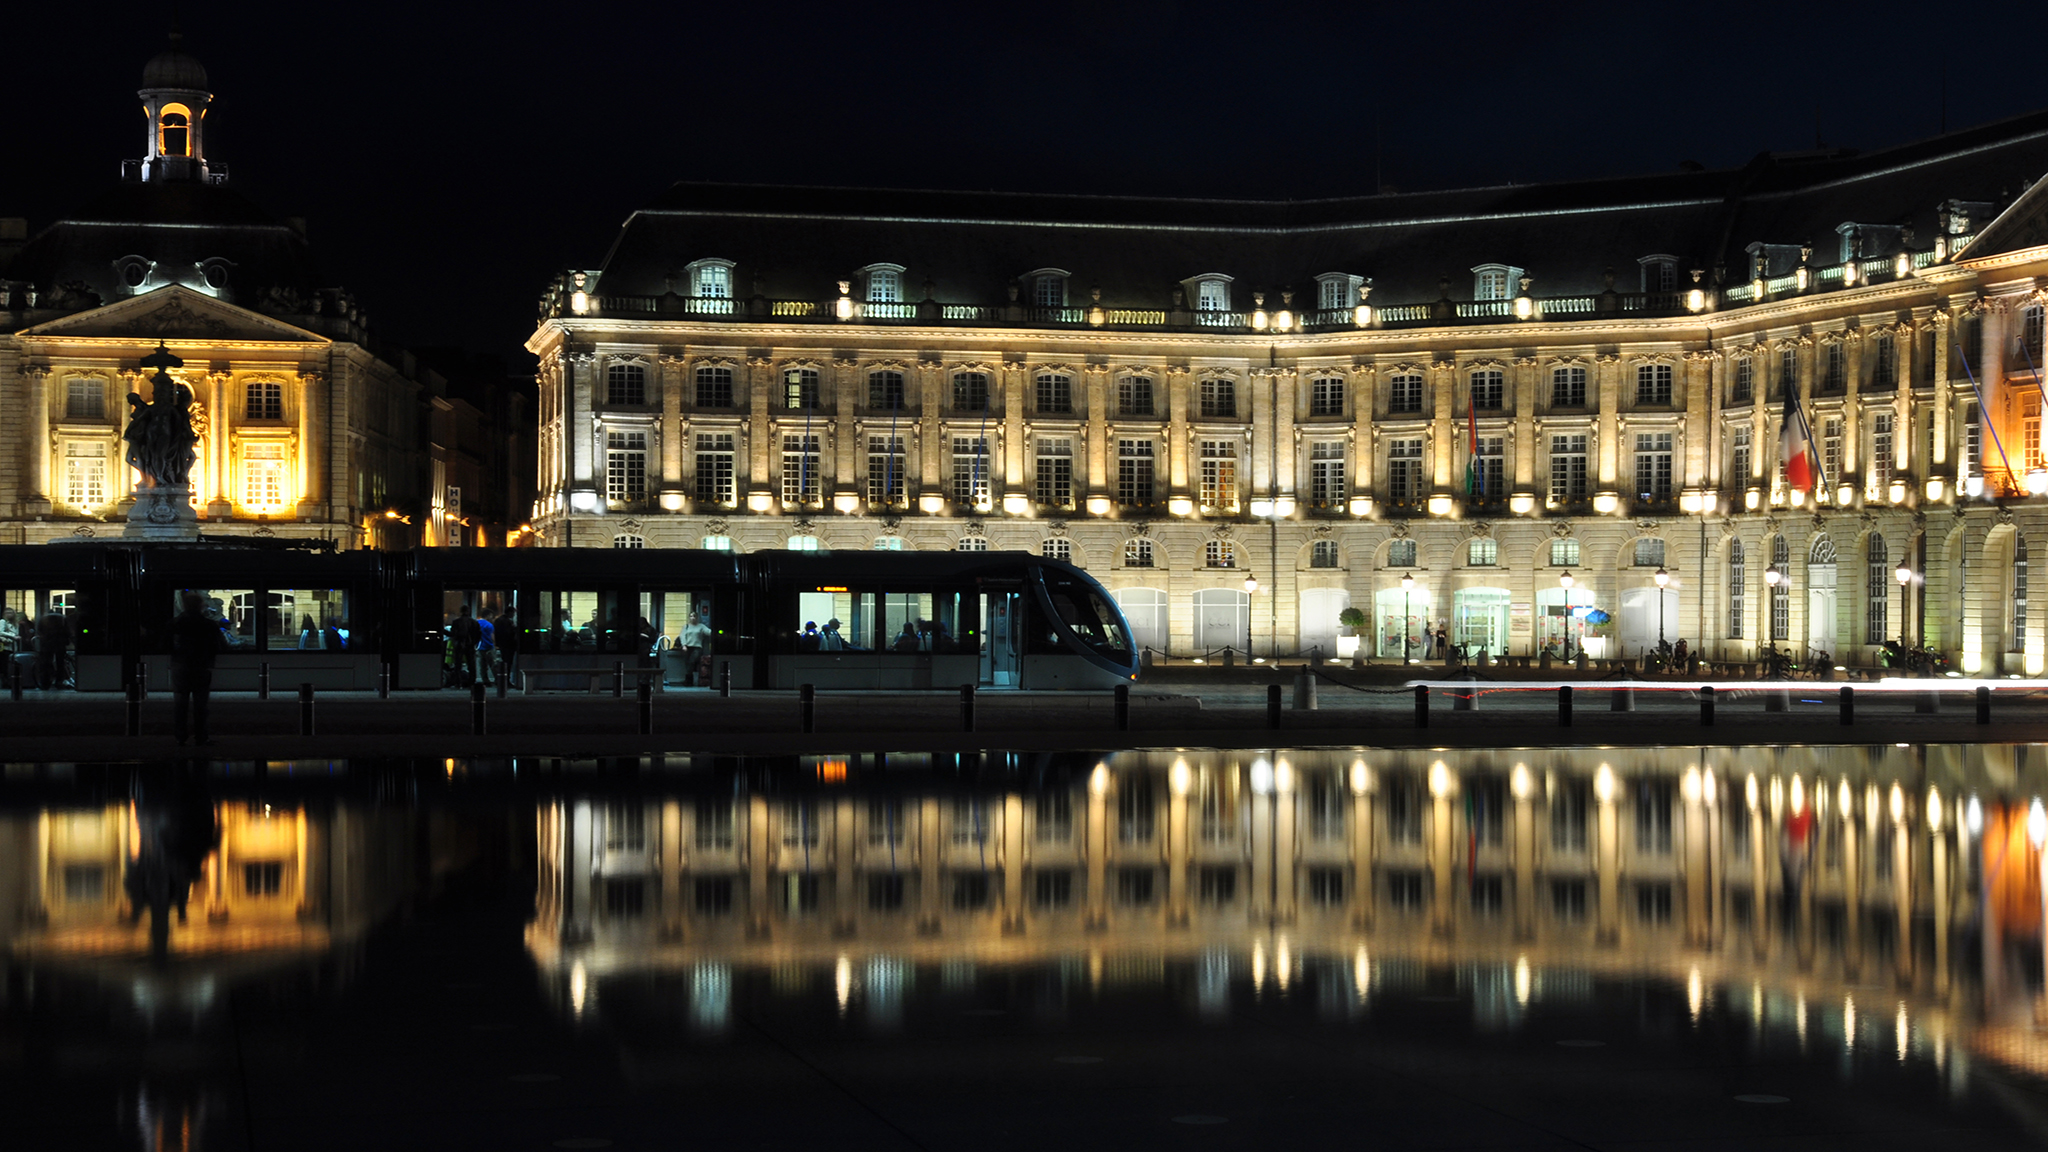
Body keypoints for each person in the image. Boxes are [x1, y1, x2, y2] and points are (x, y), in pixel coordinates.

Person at [169, 591, 225, 746]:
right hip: (201, 667)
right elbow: (219, 645)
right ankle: (201, 736)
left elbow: (165, 644)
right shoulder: (208, 625)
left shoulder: (175, 623)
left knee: (180, 704)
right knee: (201, 705)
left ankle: (180, 736)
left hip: (180, 667)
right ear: (201, 606)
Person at [35, 608, 69, 690]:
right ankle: (59, 681)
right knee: (60, 663)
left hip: (47, 643)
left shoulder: (43, 620)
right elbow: (67, 631)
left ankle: (45, 682)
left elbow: (39, 631)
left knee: (46, 663)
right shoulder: (62, 619)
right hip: (60, 642)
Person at [679, 607, 713, 686]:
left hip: (697, 647)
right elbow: (682, 636)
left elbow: (709, 632)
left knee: (692, 662)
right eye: (691, 616)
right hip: (688, 647)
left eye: (694, 616)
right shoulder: (686, 627)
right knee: (687, 663)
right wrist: (684, 645)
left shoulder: (701, 626)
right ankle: (689, 681)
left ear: (697, 617)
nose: (692, 618)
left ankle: (690, 681)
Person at [449, 605, 481, 687]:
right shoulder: (474, 622)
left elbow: (453, 634)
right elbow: (478, 635)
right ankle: (471, 682)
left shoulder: (456, 622)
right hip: (470, 646)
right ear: (468, 611)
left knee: (458, 665)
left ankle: (458, 682)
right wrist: (473, 643)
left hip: (459, 645)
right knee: (471, 665)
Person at [476, 611, 497, 685]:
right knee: (493, 665)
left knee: (482, 666)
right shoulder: (489, 625)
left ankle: (485, 681)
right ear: (487, 615)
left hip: (479, 647)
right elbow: (492, 636)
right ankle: (497, 680)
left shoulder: (476, 623)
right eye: (491, 616)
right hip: (489, 646)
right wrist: (495, 644)